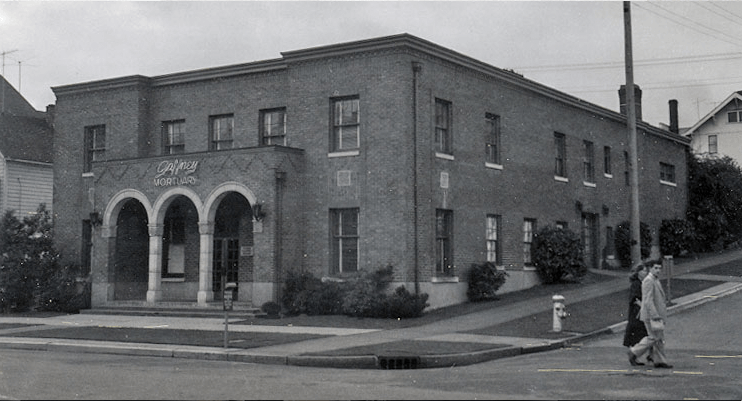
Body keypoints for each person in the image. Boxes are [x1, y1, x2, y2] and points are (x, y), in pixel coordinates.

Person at [628, 262, 673, 369]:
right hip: (651, 315)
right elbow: (648, 300)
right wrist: (654, 314)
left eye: (659, 268)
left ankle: (659, 360)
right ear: (650, 269)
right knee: (654, 337)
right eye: (655, 268)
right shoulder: (648, 280)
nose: (658, 270)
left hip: (655, 314)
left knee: (659, 338)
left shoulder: (654, 279)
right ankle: (634, 352)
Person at [622, 263, 651, 364]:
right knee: (640, 334)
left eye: (646, 271)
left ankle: (649, 354)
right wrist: (643, 306)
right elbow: (635, 299)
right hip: (637, 313)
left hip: (641, 312)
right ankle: (635, 355)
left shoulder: (643, 283)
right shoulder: (636, 284)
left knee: (645, 334)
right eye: (643, 271)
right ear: (638, 272)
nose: (645, 272)